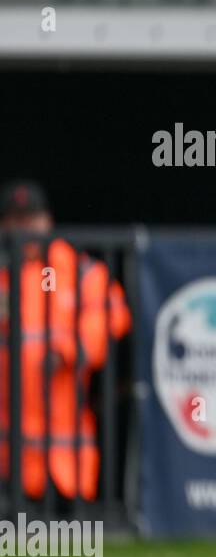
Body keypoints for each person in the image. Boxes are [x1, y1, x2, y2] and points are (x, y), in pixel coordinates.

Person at [0, 180, 131, 503]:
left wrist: (67, 351)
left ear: (47, 221)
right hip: (7, 450)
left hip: (63, 456)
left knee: (67, 539)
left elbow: (111, 317)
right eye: (16, 220)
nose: (24, 228)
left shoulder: (79, 269)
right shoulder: (3, 272)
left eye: (31, 219)